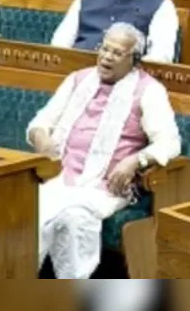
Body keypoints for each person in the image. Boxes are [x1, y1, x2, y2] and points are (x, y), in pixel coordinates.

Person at [28, 23, 180, 279]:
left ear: (133, 59)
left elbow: (170, 142)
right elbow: (42, 120)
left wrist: (136, 160)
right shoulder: (78, 79)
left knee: (73, 219)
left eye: (117, 53)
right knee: (24, 212)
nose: (107, 57)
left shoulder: (149, 90)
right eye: (104, 49)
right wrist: (41, 137)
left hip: (107, 186)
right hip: (59, 176)